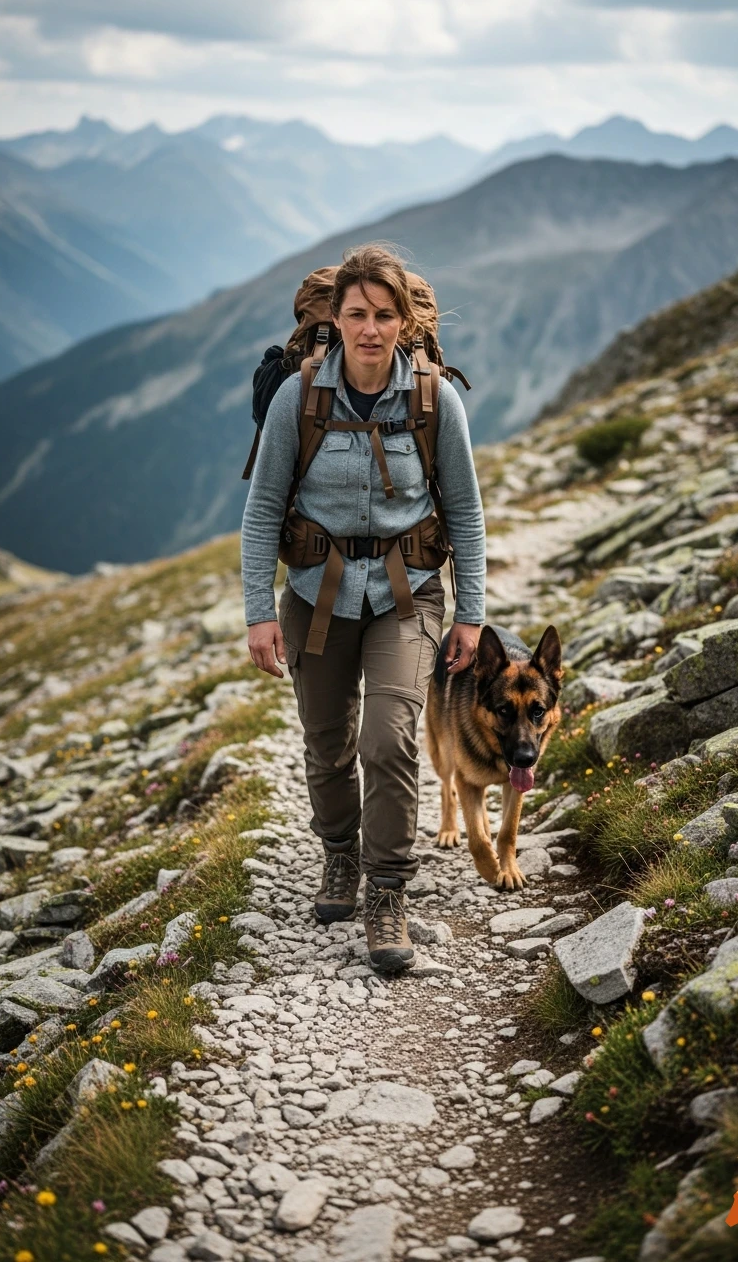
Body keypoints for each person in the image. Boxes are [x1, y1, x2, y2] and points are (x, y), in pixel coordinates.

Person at [241, 243, 486, 972]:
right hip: (315, 594)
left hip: (408, 598)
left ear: (403, 322)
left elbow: (466, 515)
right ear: (338, 320)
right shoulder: (301, 396)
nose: (370, 328)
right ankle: (339, 855)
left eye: (384, 315)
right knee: (326, 742)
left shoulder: (436, 400)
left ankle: (387, 892)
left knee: (388, 737)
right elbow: (261, 513)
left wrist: (469, 613)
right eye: (357, 314)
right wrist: (259, 611)